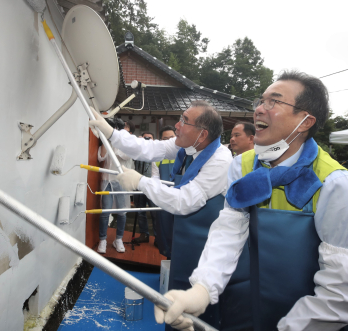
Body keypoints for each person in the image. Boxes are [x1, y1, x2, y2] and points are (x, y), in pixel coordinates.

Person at [155, 71, 348, 331]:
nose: (259, 110)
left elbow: (341, 289)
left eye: (274, 102)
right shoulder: (242, 166)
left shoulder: (335, 182)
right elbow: (228, 232)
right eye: (260, 101)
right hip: (249, 309)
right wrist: (201, 289)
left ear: (305, 121)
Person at [89, 101, 247, 329]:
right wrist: (111, 133)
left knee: (199, 306)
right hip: (184, 240)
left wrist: (140, 182)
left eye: (184, 121)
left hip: (207, 246)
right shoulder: (188, 147)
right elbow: (149, 149)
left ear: (202, 134)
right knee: (177, 296)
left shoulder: (221, 160)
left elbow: (184, 201)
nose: (177, 125)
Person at [97, 118, 132, 254]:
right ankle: (102, 239)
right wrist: (107, 140)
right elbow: (100, 157)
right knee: (105, 212)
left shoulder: (125, 143)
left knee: (122, 213)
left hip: (121, 181)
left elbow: (126, 156)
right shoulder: (107, 141)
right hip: (107, 181)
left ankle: (118, 239)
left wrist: (116, 140)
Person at [153, 126, 177, 257]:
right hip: (164, 199)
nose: (169, 141)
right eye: (165, 139)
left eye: (172, 138)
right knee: (165, 231)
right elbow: (154, 178)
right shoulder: (157, 157)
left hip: (182, 198)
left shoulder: (185, 154)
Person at [133, 132, 158, 244]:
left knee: (155, 213)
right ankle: (144, 234)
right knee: (140, 211)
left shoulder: (158, 152)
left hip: (153, 186)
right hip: (139, 184)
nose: (148, 141)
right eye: (145, 139)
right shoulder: (138, 152)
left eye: (150, 139)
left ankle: (158, 237)